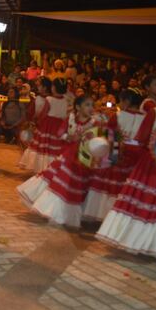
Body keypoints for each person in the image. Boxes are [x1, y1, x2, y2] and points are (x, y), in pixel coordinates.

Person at [96, 81, 156, 258]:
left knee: (143, 201)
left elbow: (142, 138)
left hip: (150, 162)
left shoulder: (155, 112)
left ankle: (138, 240)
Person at [17, 96, 105, 228]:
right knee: (59, 183)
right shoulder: (70, 119)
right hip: (68, 155)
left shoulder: (94, 123)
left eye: (92, 105)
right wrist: (68, 137)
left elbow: (99, 140)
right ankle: (54, 211)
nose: (91, 108)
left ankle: (71, 214)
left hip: (84, 159)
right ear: (78, 107)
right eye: (87, 105)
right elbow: (60, 132)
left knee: (77, 186)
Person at [83, 88, 146, 222]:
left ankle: (106, 214)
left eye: (121, 101)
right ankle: (125, 215)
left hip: (119, 150)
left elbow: (109, 132)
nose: (119, 104)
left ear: (127, 101)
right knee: (130, 184)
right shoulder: (145, 117)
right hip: (139, 155)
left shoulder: (119, 115)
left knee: (110, 183)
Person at [19, 78, 70, 173]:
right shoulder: (66, 100)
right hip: (60, 126)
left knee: (43, 147)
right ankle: (53, 167)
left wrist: (37, 122)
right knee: (55, 147)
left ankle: (41, 167)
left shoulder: (49, 99)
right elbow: (66, 114)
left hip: (47, 125)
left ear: (53, 88)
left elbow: (43, 113)